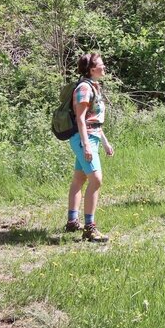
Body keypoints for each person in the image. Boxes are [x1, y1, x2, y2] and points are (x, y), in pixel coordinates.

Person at [65, 53, 114, 242]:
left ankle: (72, 221)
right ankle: (90, 229)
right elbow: (80, 119)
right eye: (101, 65)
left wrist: (105, 142)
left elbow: (93, 121)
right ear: (92, 69)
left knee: (79, 178)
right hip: (83, 139)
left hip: (91, 137)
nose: (104, 67)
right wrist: (86, 145)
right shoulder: (84, 88)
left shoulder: (94, 86)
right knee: (96, 180)